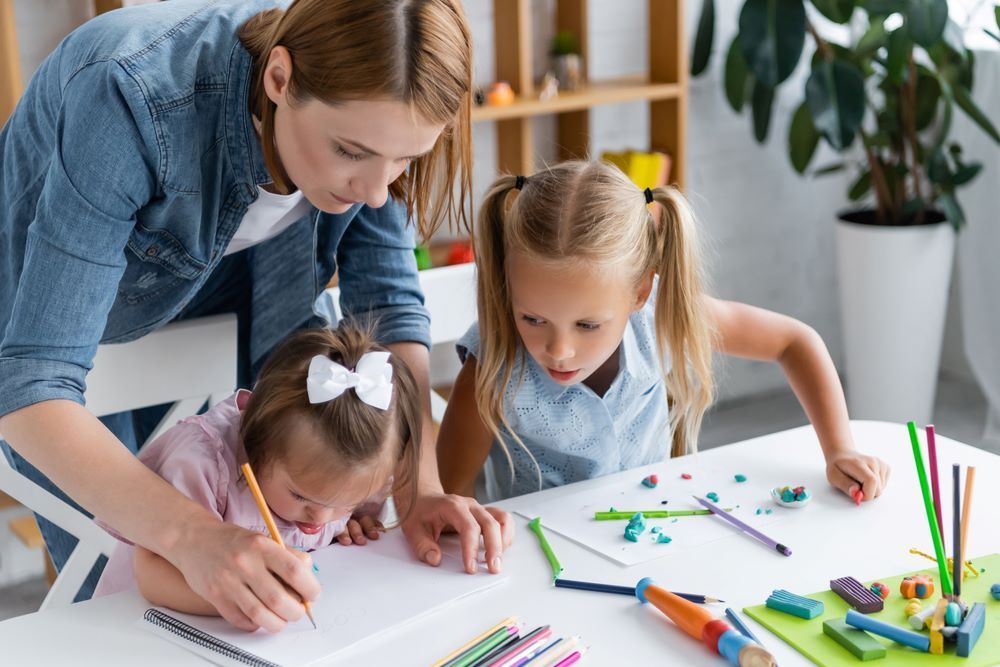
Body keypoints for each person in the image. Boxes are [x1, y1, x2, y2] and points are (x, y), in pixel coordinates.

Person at [0, 0, 509, 632]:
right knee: (122, 600)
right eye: (351, 151)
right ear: (279, 79)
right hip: (57, 323)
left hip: (246, 292)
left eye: (405, 160)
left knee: (292, 558)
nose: (378, 191)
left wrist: (420, 486)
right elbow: (32, 385)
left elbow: (390, 310)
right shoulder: (128, 95)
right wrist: (195, 537)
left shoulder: (379, 121)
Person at [437, 161, 891, 503]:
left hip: (653, 535)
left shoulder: (662, 320)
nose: (559, 349)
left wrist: (838, 450)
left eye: (588, 325)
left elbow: (794, 341)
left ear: (639, 292)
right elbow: (450, 492)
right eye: (533, 319)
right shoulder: (494, 359)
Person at [94, 326, 420, 617]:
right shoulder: (201, 464)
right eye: (300, 496)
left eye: (345, 504)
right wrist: (248, 598)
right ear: (256, 440)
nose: (320, 520)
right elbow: (152, 575)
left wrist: (352, 521)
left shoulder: (360, 468)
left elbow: (340, 519)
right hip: (135, 630)